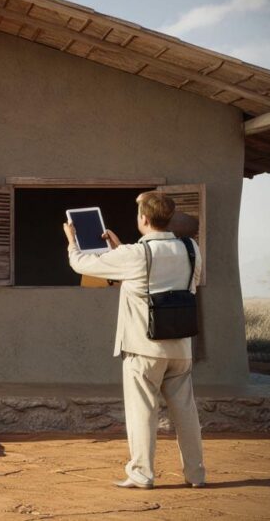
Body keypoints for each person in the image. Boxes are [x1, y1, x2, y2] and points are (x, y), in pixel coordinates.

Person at [63, 192, 206, 490]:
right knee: (186, 412)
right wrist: (119, 248)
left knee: (142, 412)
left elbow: (80, 264)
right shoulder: (192, 248)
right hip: (180, 346)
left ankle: (142, 474)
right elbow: (184, 285)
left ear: (143, 218)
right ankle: (196, 475)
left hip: (144, 348)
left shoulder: (135, 254)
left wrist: (71, 239)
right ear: (169, 218)